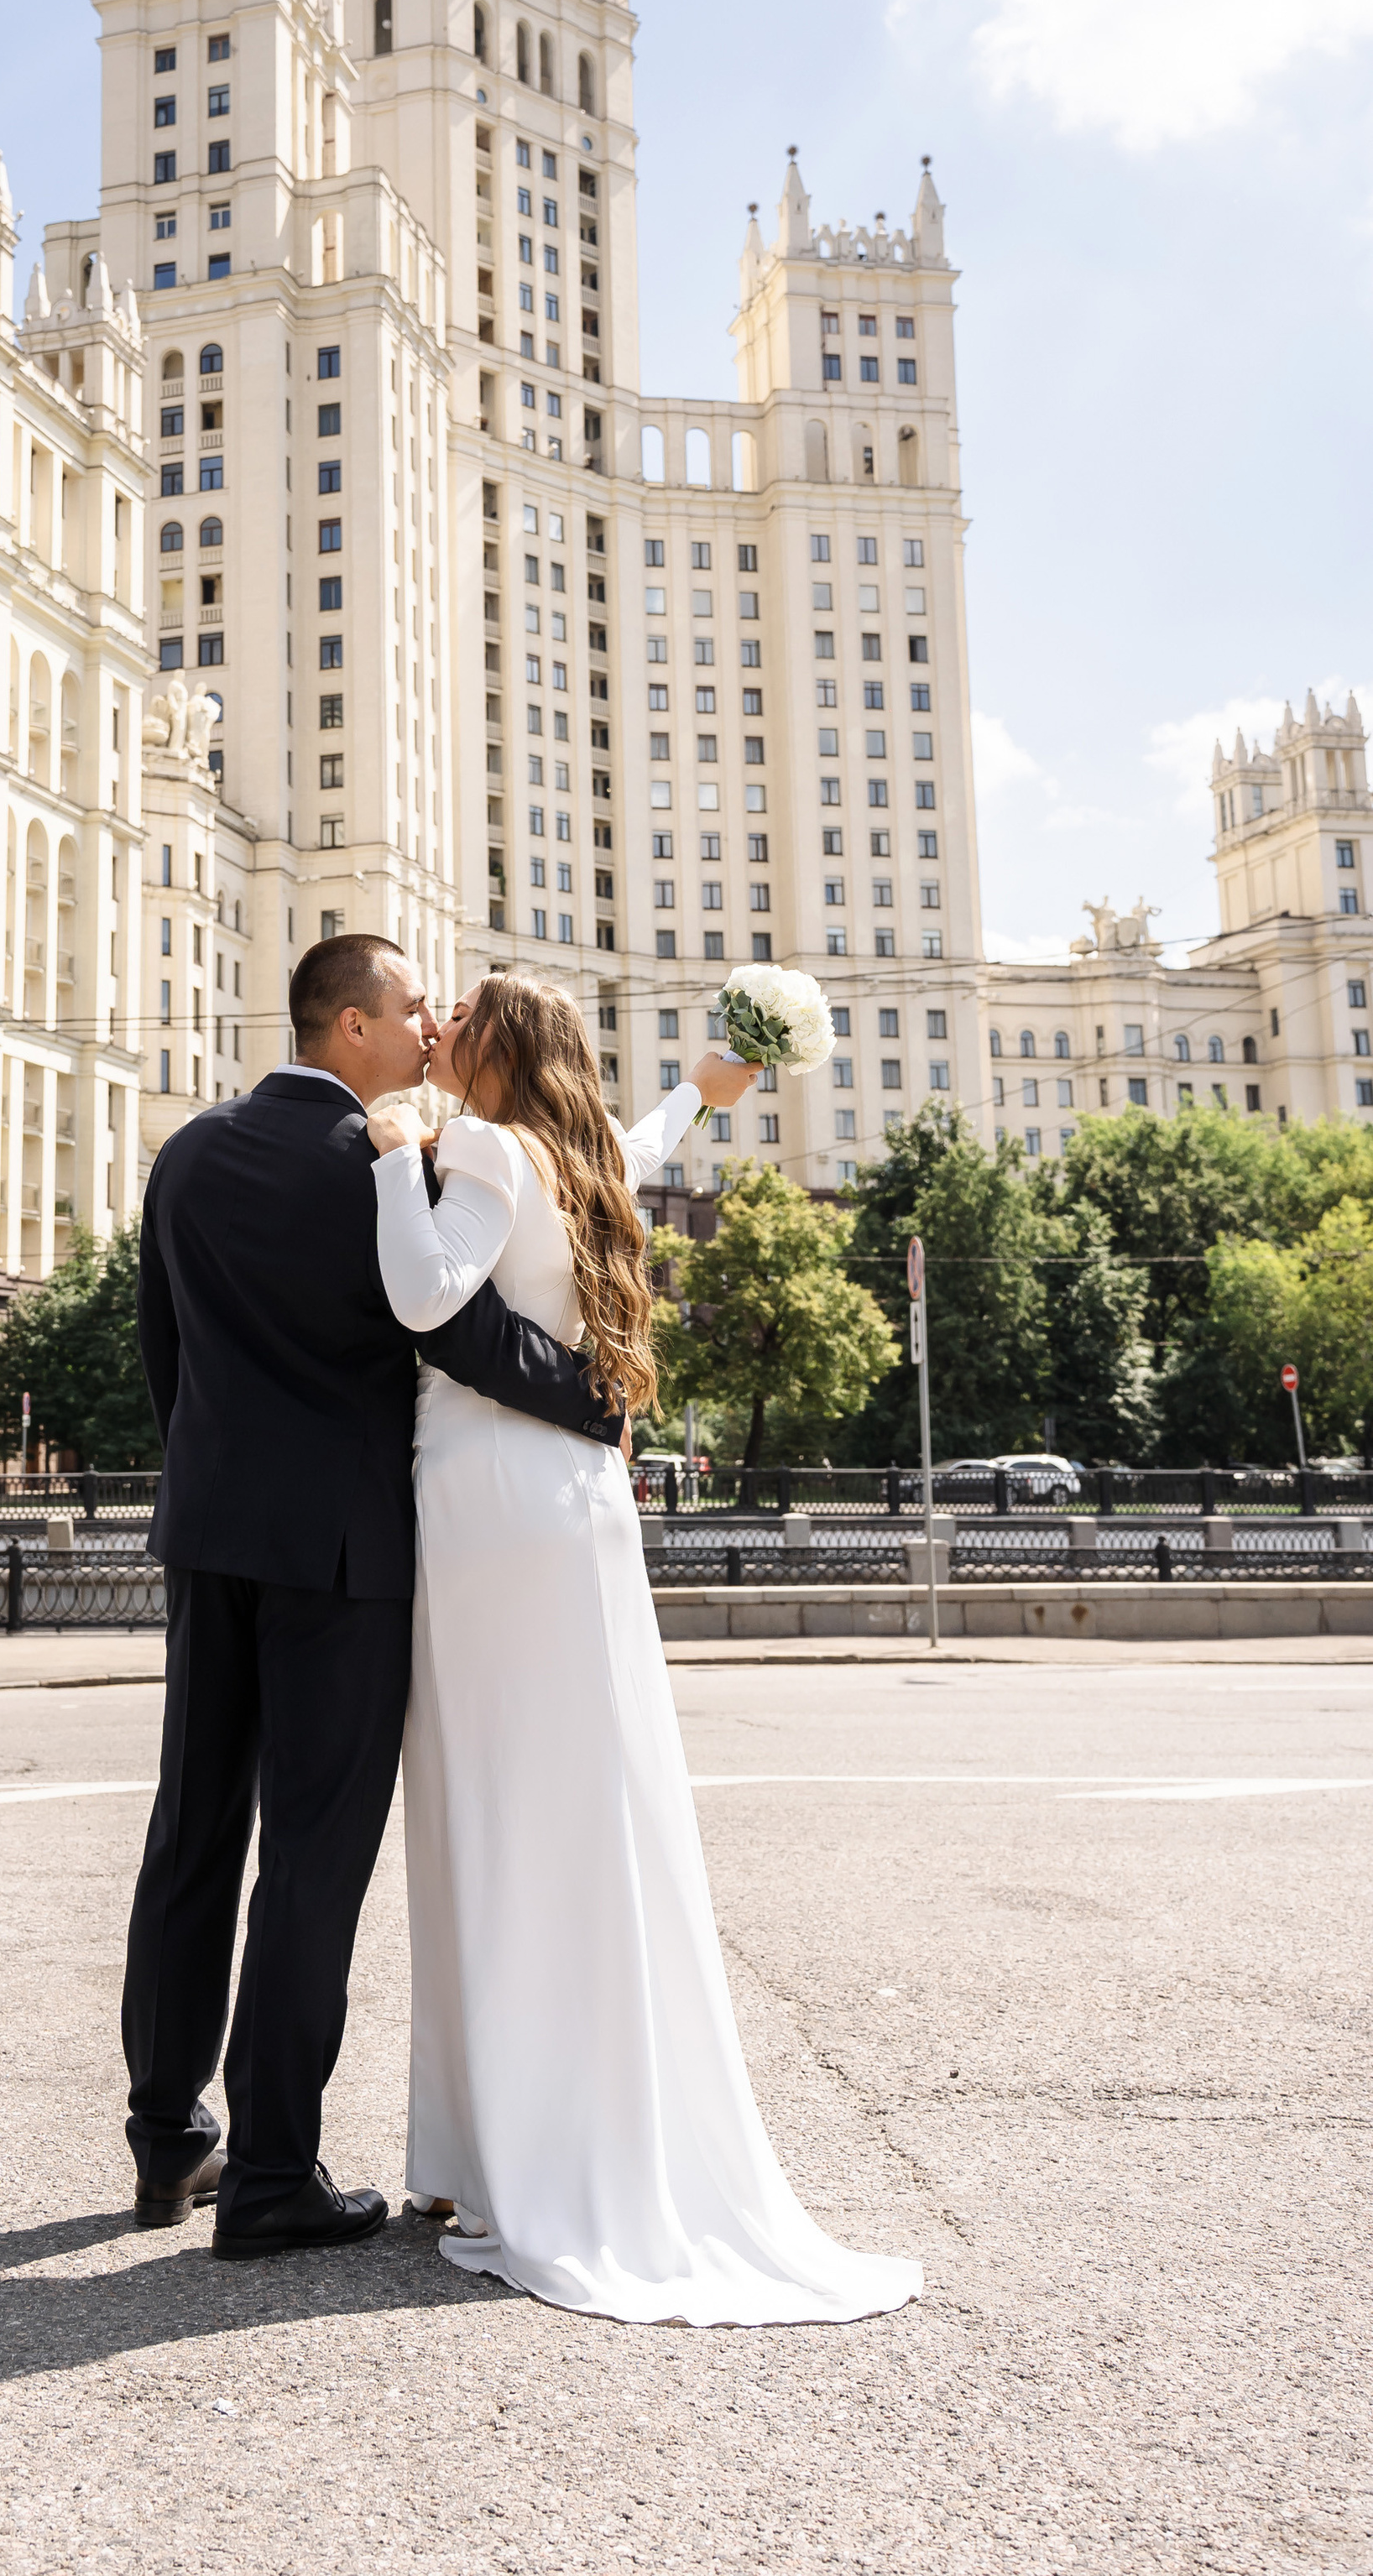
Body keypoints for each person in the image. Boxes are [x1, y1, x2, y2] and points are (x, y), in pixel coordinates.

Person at [367, 972, 923, 2327]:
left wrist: (395, 1161)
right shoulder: (588, 1156)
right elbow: (660, 1134)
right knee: (584, 1808)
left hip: (488, 1500)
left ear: (496, 1049)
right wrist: (713, 1079)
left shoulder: (487, 1149)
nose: (437, 1037)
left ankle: (493, 2157)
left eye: (458, 1023)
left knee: (485, 1815)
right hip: (578, 1507)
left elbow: (429, 1299)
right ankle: (526, 2139)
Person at [123, 934, 624, 2257]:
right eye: (411, 1012)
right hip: (343, 1559)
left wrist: (208, 1493)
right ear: (350, 1027)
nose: (428, 1033)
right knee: (312, 1859)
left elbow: (162, 1357)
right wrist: (597, 1398)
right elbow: (452, 1328)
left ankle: (168, 2135)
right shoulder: (389, 1163)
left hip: (209, 1534)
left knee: (192, 1830)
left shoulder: (183, 1156)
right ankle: (275, 2171)